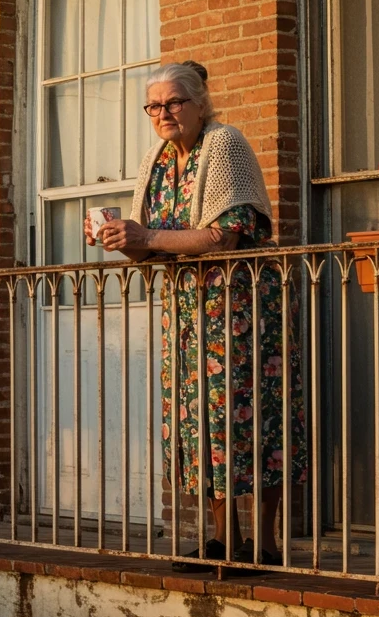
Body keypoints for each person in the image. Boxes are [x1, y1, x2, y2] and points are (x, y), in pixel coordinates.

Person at [83, 60, 305, 570]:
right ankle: (223, 540)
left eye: (174, 103)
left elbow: (223, 235)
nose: (164, 113)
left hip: (244, 307)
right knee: (202, 421)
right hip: (186, 311)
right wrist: (119, 240)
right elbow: (148, 247)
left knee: (257, 419)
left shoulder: (223, 143)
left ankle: (265, 543)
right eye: (154, 106)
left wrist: (147, 236)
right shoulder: (156, 159)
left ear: (200, 104)